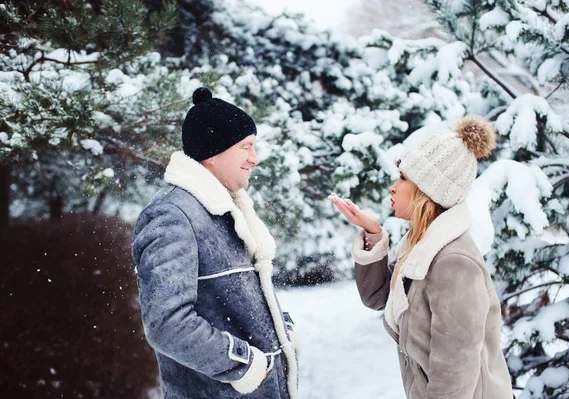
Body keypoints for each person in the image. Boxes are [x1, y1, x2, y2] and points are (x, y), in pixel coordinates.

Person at [329, 115, 513, 398]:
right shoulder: (422, 248)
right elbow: (378, 296)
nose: (393, 186)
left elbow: (455, 370)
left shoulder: (453, 262)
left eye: (403, 178)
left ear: (428, 191)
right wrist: (372, 231)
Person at [132, 88, 298, 399]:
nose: (255, 158)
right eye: (245, 147)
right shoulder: (173, 215)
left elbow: (239, 302)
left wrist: (281, 331)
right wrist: (244, 363)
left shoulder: (224, 208)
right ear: (213, 152)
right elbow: (167, 323)